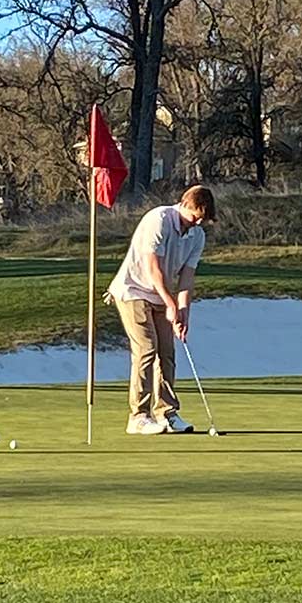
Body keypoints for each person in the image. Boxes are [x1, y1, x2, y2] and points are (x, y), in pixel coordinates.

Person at [106, 186, 217, 435]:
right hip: (133, 289)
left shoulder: (197, 235)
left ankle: (167, 413)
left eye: (202, 219)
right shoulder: (159, 220)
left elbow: (187, 277)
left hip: (160, 294)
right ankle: (138, 417)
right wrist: (170, 303)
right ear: (183, 205)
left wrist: (183, 310)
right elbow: (153, 269)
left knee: (167, 352)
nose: (197, 222)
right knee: (147, 349)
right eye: (194, 217)